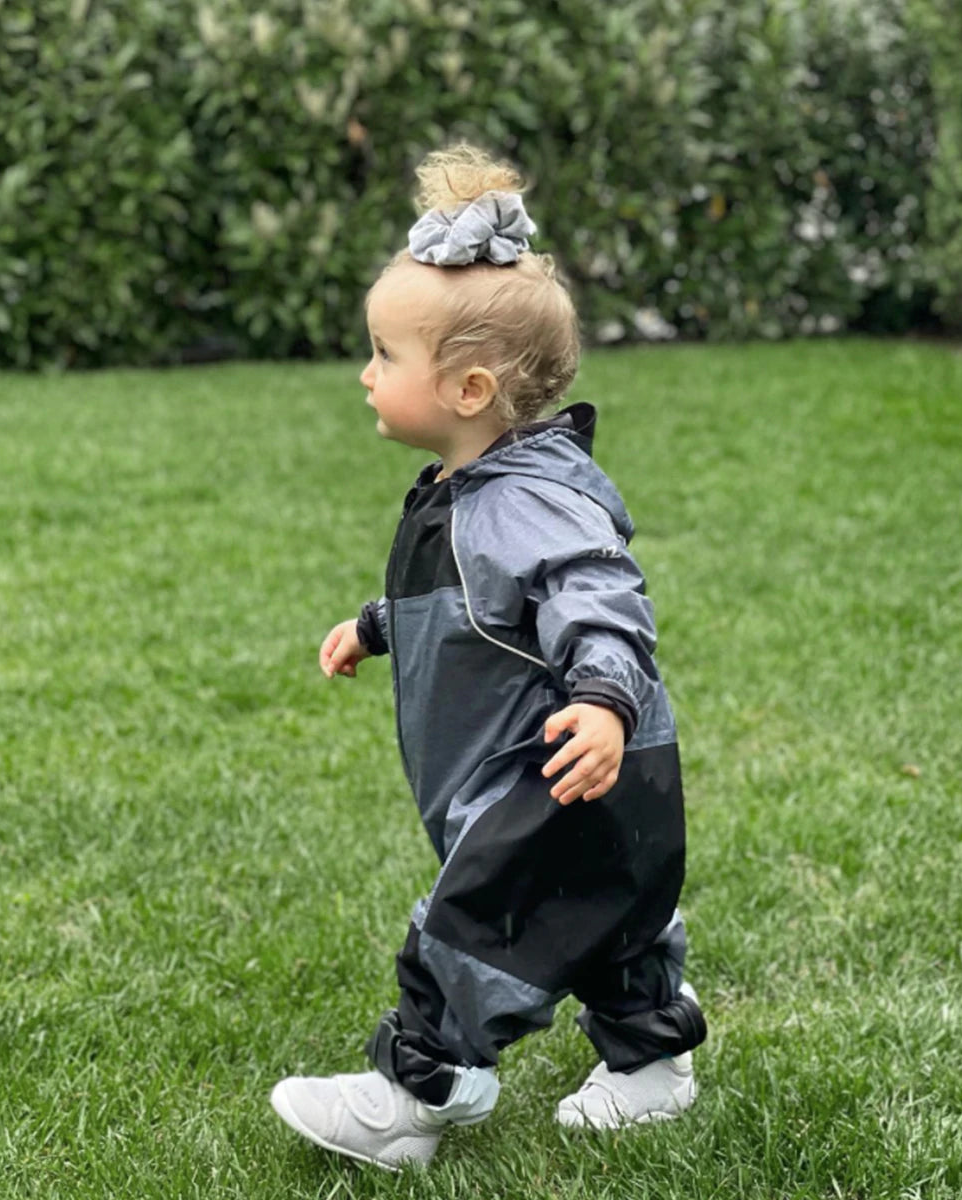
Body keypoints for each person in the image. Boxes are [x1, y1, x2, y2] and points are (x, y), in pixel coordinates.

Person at [270, 144, 706, 1172]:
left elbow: (598, 592)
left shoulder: (527, 500)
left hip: (557, 769)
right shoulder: (477, 486)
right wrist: (377, 625)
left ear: (468, 388)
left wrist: (603, 699)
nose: (365, 374)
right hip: (584, 771)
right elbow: (476, 599)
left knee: (476, 923)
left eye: (384, 355)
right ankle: (651, 1064)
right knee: (606, 921)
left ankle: (412, 1098)